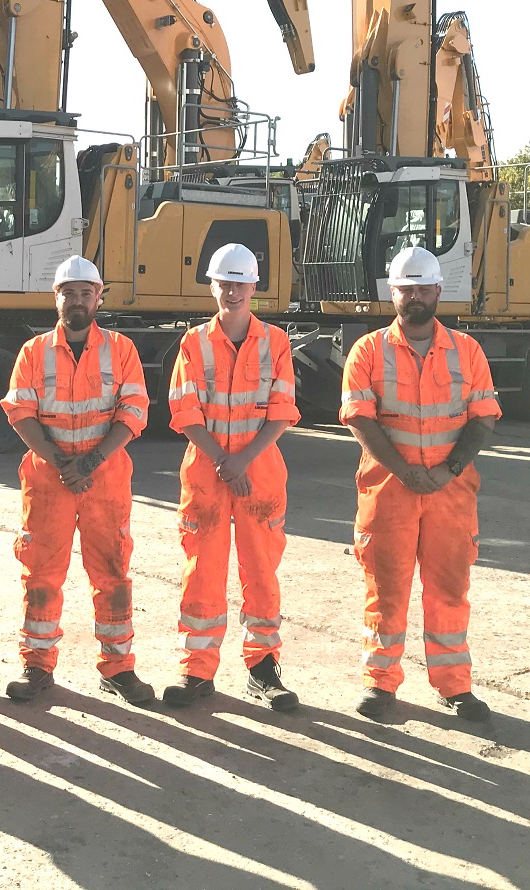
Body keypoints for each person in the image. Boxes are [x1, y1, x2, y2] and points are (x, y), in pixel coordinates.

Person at [340, 245, 502, 723]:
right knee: (385, 590)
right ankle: (379, 683)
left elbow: (484, 416)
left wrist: (447, 471)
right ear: (393, 294)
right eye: (405, 289)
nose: (415, 296)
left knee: (449, 589)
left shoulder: (467, 351)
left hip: (450, 494)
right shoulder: (368, 351)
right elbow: (359, 419)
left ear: (438, 291)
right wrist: (406, 471)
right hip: (388, 491)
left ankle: (455, 685)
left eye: (422, 288)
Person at [0, 255, 153, 705]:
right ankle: (37, 666)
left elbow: (134, 411)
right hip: (49, 484)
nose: (78, 300)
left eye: (87, 292)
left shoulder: (121, 350)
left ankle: (118, 668)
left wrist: (89, 463)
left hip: (104, 482)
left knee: (112, 574)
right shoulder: (33, 352)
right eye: (70, 292)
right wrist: (60, 462)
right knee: (42, 575)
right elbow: (20, 412)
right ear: (57, 297)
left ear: (99, 298)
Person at [163, 243, 302, 711]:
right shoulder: (193, 343)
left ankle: (263, 669)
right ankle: (196, 671)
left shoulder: (276, 342)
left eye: (240, 283)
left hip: (258, 469)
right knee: (201, 571)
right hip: (208, 470)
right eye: (224, 282)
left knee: (261, 571)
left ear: (254, 287)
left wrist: (242, 461)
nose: (232, 291)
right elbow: (184, 410)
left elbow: (283, 411)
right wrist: (226, 460)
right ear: (211, 286)